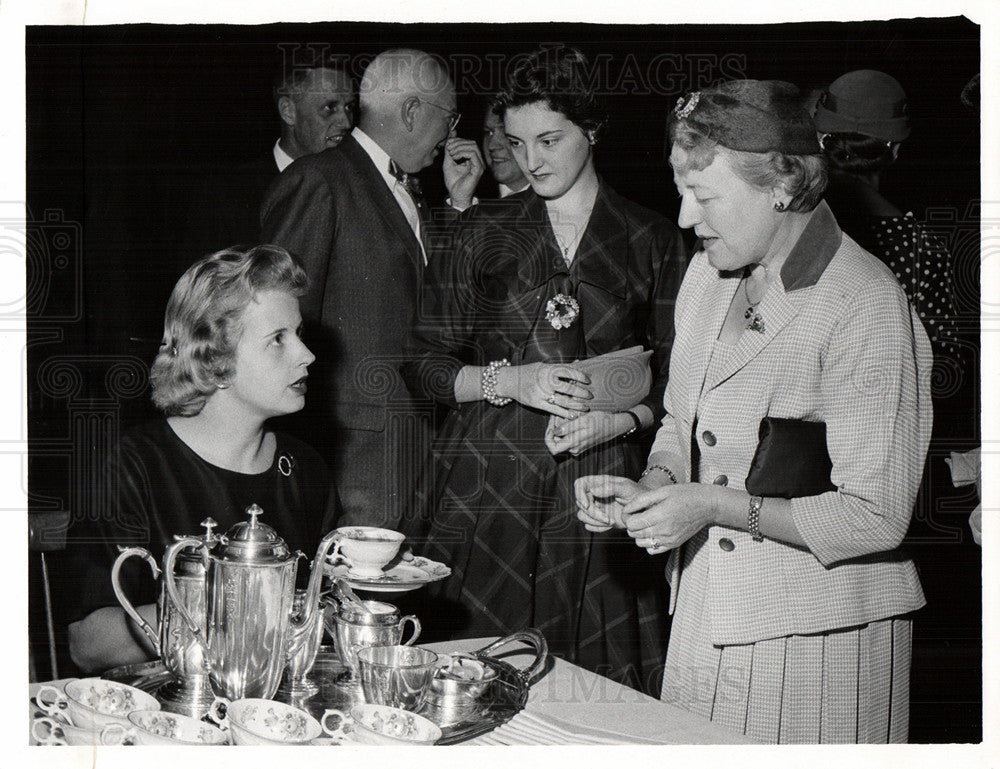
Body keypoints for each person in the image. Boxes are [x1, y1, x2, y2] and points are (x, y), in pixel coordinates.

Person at [575, 80, 932, 742]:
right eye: (682, 192)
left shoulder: (864, 303)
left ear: (782, 187)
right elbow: (682, 421)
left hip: (818, 631)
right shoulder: (709, 276)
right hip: (709, 605)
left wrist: (710, 506)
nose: (684, 218)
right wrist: (653, 486)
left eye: (705, 197)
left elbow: (876, 514)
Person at [402, 47, 687, 693]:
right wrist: (514, 381)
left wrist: (618, 419)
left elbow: (681, 386)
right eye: (518, 141)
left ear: (593, 130)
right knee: (464, 681)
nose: (532, 159)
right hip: (486, 484)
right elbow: (423, 365)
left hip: (598, 489)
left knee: (592, 691)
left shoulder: (654, 239)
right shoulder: (481, 231)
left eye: (550, 139)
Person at [65, 245, 337, 673]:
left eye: (298, 333)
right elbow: (87, 643)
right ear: (216, 360)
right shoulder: (133, 465)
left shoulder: (305, 468)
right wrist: (230, 607)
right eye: (278, 339)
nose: (307, 354)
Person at [260, 48, 484, 530]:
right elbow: (276, 327)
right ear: (410, 111)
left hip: (412, 449)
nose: (452, 133)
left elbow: (429, 305)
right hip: (354, 461)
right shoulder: (319, 179)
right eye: (450, 117)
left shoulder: (411, 187)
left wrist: (459, 206)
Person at [813, 69, 959, 356]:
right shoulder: (921, 249)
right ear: (895, 150)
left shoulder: (789, 219)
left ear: (820, 138)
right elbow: (942, 362)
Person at [183, 54, 356, 256]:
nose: (346, 122)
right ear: (288, 111)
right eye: (330, 107)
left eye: (349, 107)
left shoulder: (354, 187)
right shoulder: (226, 195)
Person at [481, 103, 529, 197]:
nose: (491, 145)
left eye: (505, 132)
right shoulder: (473, 199)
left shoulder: (558, 201)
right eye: (488, 132)